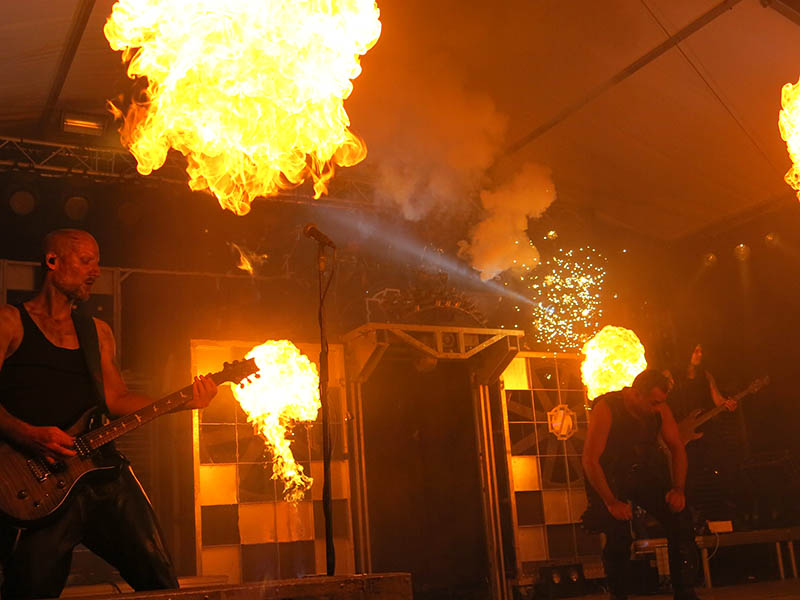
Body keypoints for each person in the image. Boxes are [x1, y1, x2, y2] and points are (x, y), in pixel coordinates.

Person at [0, 229, 218, 599]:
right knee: (29, 590)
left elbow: (117, 399)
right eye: (86, 261)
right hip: (36, 483)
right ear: (53, 261)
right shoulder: (10, 322)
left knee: (161, 583)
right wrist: (30, 435)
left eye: (97, 262)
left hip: (103, 473)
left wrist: (184, 401)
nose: (96, 271)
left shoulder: (97, 332)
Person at [581, 369, 698, 600]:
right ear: (636, 394)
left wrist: (678, 489)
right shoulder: (607, 408)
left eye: (661, 402)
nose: (657, 408)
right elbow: (590, 459)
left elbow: (677, 448)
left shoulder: (660, 409)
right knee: (618, 534)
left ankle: (685, 594)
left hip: (643, 472)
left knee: (680, 519)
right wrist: (611, 502)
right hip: (609, 476)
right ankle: (619, 596)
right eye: (653, 403)